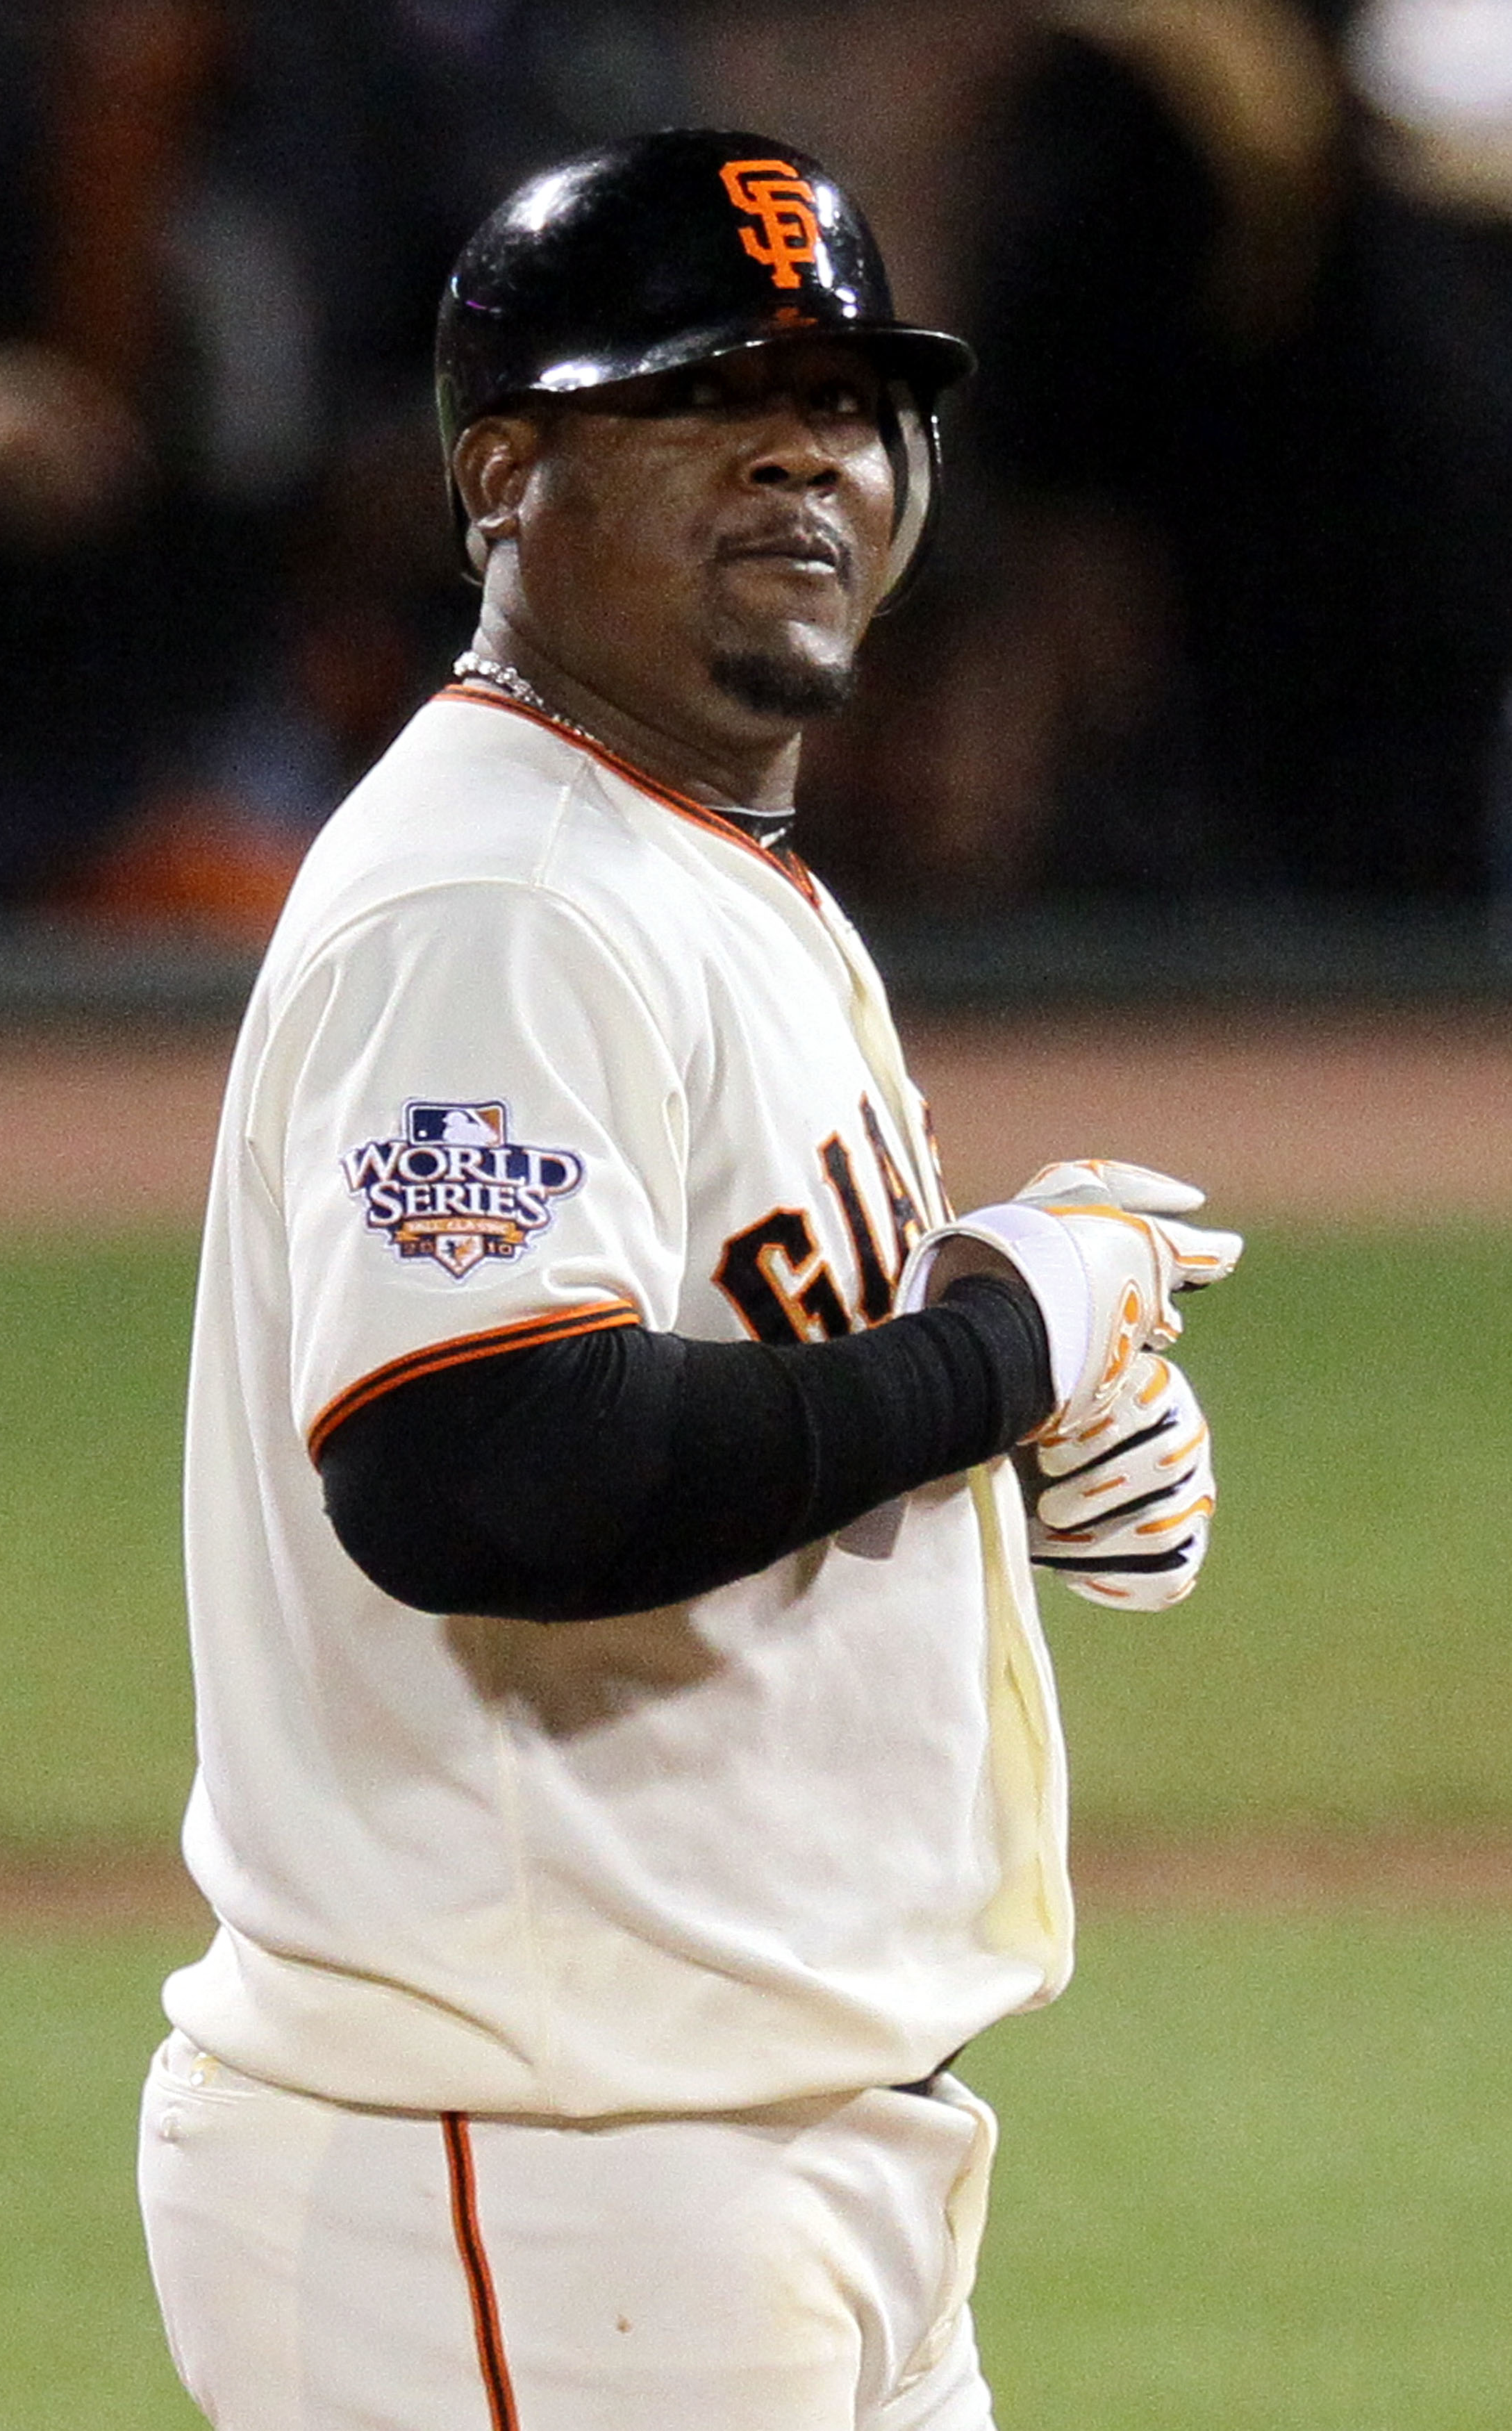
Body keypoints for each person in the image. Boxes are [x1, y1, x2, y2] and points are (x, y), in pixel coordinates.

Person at [137, 130, 1242, 2431]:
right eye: (706, 396)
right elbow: (489, 1470)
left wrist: (1003, 1398)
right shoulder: (499, 897)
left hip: (730, 2170)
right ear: (505, 480)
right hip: (542, 2182)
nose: (805, 455)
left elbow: (713, 1354)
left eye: (847, 402)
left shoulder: (685, 854)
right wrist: (1004, 1336)